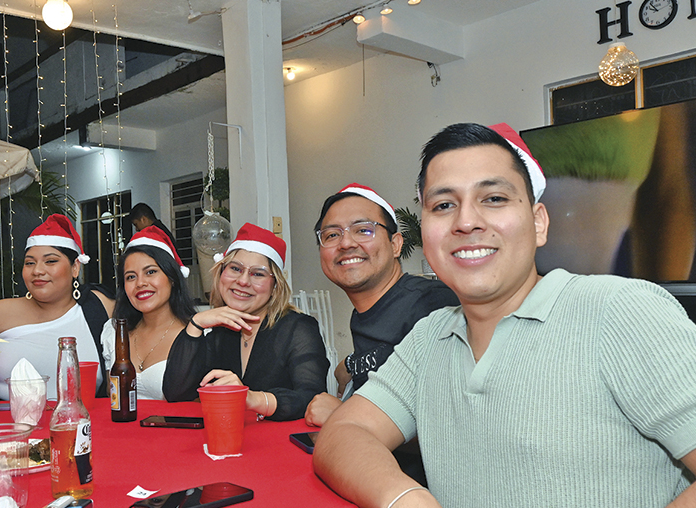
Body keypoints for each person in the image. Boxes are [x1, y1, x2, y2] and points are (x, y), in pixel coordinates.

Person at [313, 122, 696, 508]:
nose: (467, 221)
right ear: (426, 236)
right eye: (444, 205)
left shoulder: (616, 311)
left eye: (494, 199)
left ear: (539, 222)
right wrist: (407, 504)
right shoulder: (430, 337)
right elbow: (343, 433)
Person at [304, 183, 458, 427]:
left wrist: (344, 414)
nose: (346, 243)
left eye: (363, 230)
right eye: (332, 235)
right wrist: (352, 363)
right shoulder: (363, 314)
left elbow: (451, 424)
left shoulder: (433, 305)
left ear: (395, 244)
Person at [163, 223, 329, 420]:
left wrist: (252, 399)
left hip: (281, 438)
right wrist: (196, 323)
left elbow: (314, 399)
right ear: (221, 273)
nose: (243, 281)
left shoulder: (298, 328)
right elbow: (176, 393)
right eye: (235, 268)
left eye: (258, 274)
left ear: (275, 286)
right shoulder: (220, 332)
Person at [0, 214, 114, 401]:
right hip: (11, 419)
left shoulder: (100, 306)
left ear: (75, 267)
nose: (37, 271)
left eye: (50, 261)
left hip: (83, 418)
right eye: (29, 263)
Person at [101, 226, 196, 400]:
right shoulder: (114, 332)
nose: (140, 283)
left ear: (172, 278)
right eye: (131, 277)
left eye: (150, 272)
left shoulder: (197, 334)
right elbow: (112, 399)